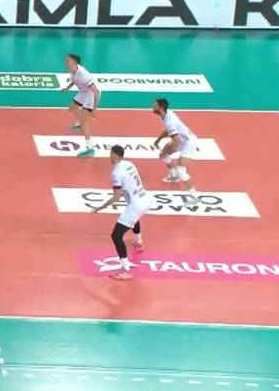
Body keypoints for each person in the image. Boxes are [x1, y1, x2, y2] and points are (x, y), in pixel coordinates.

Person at [91, 145, 151, 281]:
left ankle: (125, 270)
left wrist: (99, 208)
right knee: (133, 219)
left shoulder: (116, 173)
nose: (109, 156)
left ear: (114, 155)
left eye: (110, 153)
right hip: (145, 198)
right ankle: (139, 242)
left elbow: (116, 197)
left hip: (136, 205)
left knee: (116, 236)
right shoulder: (130, 164)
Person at [152, 98, 201, 204]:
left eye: (155, 106)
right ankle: (173, 176)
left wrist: (167, 149)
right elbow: (169, 132)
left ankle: (195, 196)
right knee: (163, 155)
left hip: (188, 142)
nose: (153, 107)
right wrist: (159, 139)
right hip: (182, 139)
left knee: (181, 171)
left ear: (161, 108)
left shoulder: (169, 120)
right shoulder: (166, 115)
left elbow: (177, 140)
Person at [60, 53, 100, 157]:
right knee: (72, 108)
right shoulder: (71, 70)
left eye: (68, 60)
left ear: (74, 62)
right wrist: (66, 88)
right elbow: (74, 81)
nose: (65, 62)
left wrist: (94, 110)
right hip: (83, 92)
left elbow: (97, 92)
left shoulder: (83, 74)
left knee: (85, 121)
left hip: (90, 94)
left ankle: (90, 148)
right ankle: (80, 123)